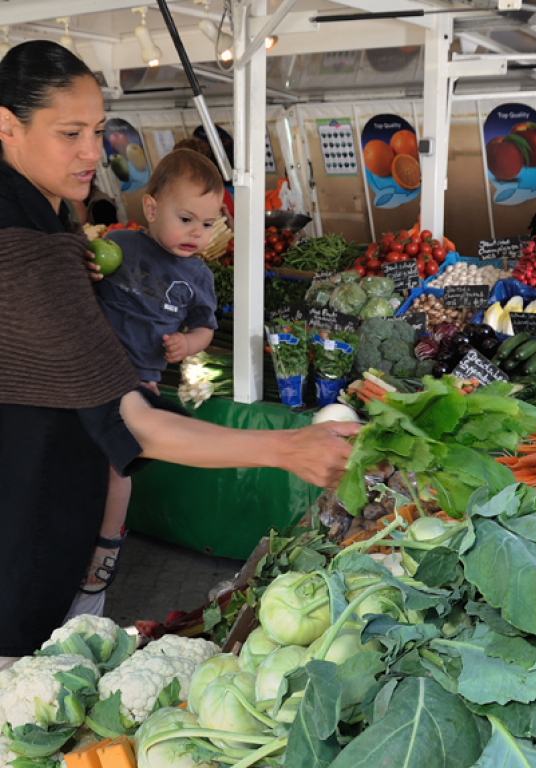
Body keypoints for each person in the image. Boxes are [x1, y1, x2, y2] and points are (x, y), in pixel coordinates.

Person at [0, 40, 358, 662]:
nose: (93, 152)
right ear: (6, 125)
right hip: (20, 511)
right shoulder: (24, 240)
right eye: (69, 133)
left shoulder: (45, 220)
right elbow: (130, 419)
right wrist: (285, 446)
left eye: (97, 129)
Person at [80, 149, 224, 593]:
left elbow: (204, 327)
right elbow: (83, 284)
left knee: (116, 466)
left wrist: (187, 344)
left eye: (208, 223)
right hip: (89, 369)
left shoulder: (199, 276)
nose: (197, 233)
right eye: (186, 219)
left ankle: (107, 543)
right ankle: (74, 530)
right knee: (76, 455)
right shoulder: (120, 246)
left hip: (138, 383)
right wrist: (88, 271)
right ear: (151, 207)